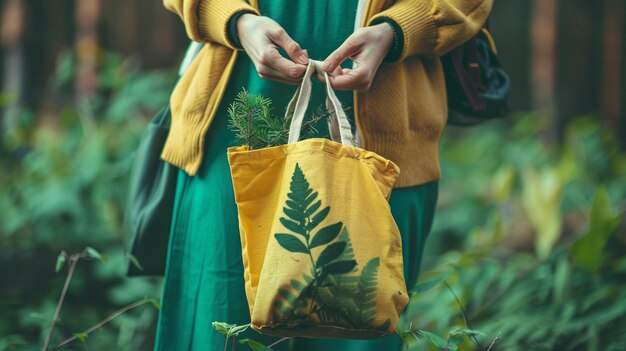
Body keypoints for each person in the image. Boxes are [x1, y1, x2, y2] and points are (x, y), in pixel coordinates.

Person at [153, 0, 492, 350]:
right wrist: (236, 21)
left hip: (383, 136)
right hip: (234, 127)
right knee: (220, 331)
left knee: (357, 332)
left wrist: (396, 31)